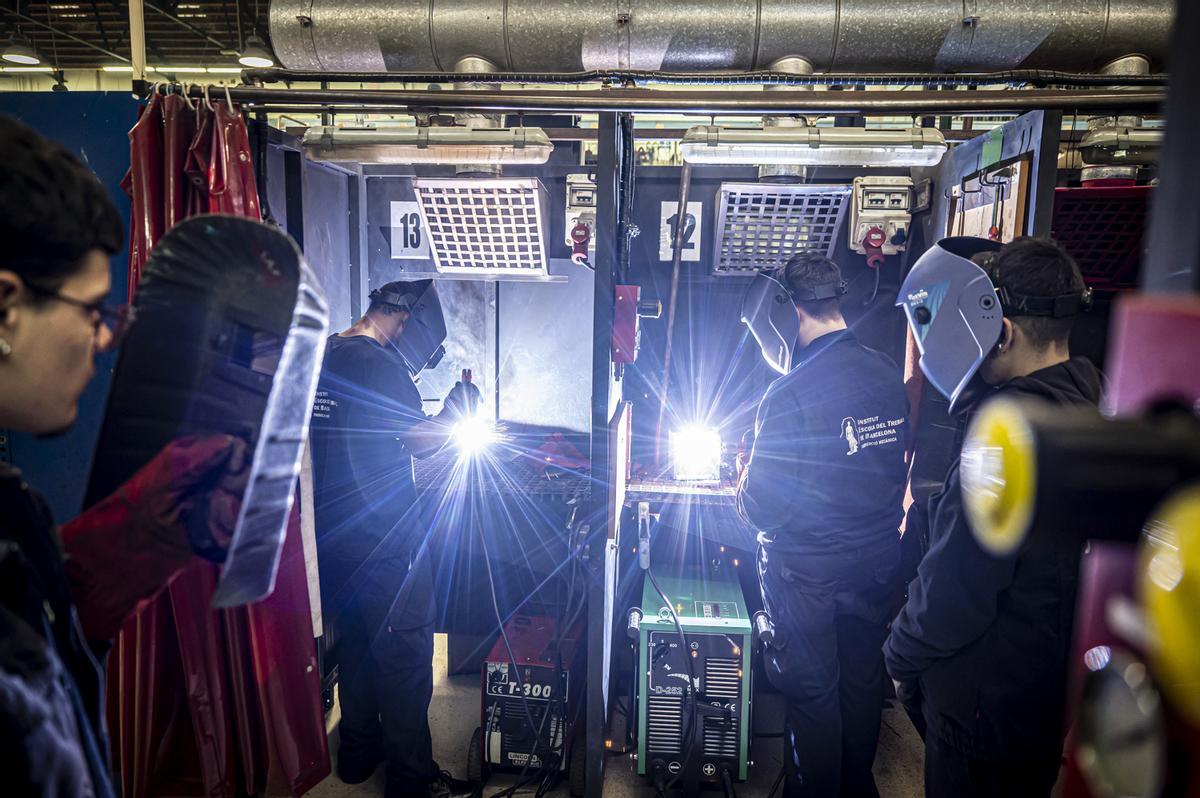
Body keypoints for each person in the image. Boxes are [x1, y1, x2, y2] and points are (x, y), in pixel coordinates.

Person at [0, 115, 246, 795]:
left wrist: (146, 531)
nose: (104, 341)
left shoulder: (10, 507)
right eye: (92, 312)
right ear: (6, 307)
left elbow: (49, 632)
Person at [884, 237, 1100, 798]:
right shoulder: (1093, 408)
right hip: (1042, 709)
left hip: (983, 717)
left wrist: (898, 655)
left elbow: (955, 589)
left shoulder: (1005, 437)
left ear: (1000, 331)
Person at [736, 253, 910, 798]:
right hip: (877, 566)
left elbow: (762, 506)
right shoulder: (886, 372)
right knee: (860, 686)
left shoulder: (787, 394)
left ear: (787, 312)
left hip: (807, 579)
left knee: (813, 697)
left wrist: (742, 478)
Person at [310, 280, 481, 798]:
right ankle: (411, 780)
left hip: (330, 539)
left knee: (357, 648)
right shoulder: (383, 367)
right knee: (406, 660)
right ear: (402, 319)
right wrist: (457, 410)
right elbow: (422, 442)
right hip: (385, 539)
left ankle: (358, 755)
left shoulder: (324, 355)